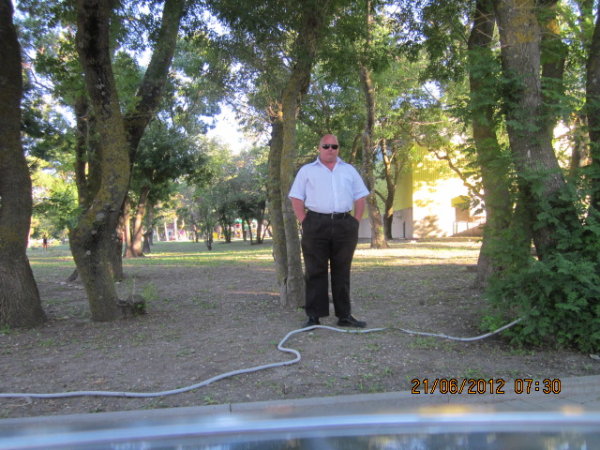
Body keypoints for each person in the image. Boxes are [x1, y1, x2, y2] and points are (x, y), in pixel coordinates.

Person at [289, 134, 370, 328]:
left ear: (338, 148)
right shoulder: (307, 171)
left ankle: (344, 316)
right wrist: (305, 222)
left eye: (334, 146)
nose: (330, 149)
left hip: (344, 224)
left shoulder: (349, 170)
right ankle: (314, 317)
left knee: (342, 270)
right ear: (319, 148)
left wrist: (355, 221)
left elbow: (360, 196)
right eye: (326, 146)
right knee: (314, 270)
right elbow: (296, 197)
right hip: (315, 224)